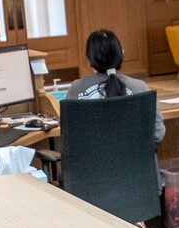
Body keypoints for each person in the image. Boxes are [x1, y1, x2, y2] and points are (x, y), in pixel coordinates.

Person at [67, 28, 166, 193]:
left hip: (91, 184)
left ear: (89, 59)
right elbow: (158, 133)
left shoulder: (76, 89)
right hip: (139, 183)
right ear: (121, 54)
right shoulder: (140, 87)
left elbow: (70, 138)